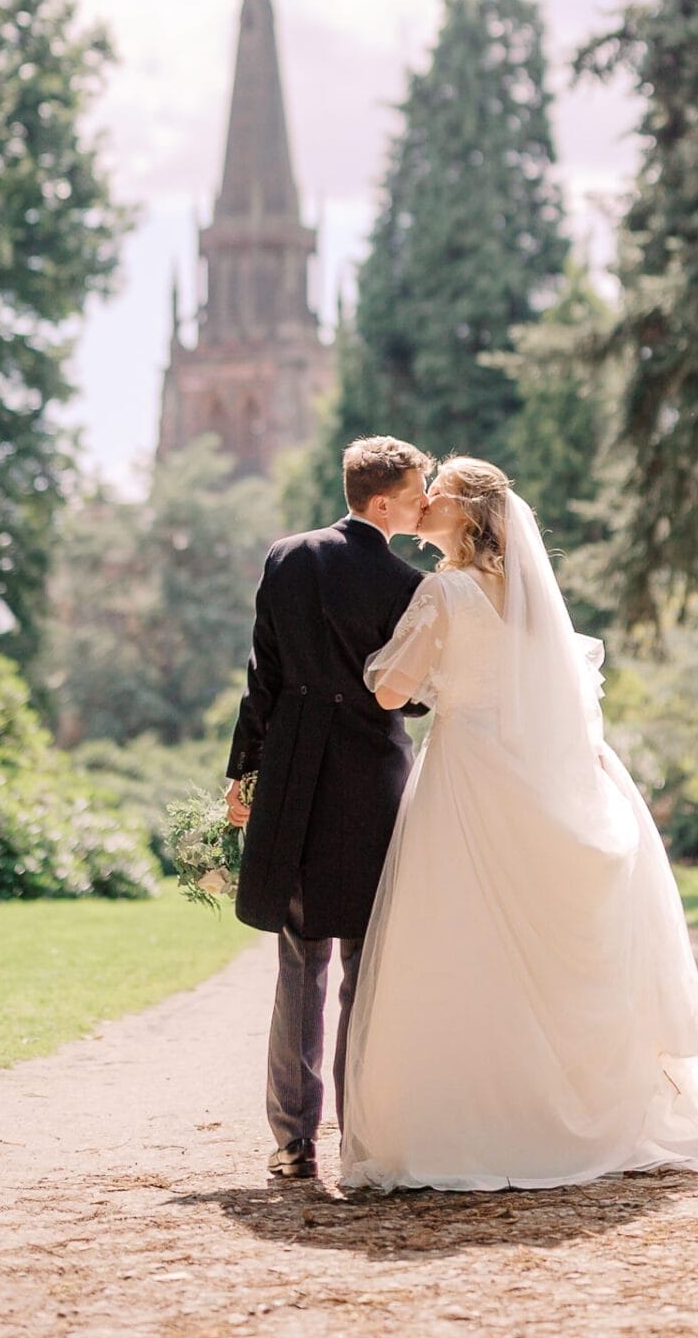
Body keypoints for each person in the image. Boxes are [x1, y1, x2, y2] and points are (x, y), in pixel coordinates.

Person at [340, 456, 698, 1192]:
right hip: (533, 777)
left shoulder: (443, 591)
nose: (422, 503)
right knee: (535, 950)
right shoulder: (529, 599)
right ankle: (559, 1112)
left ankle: (477, 1123)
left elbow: (390, 693)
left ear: (466, 514)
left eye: (434, 495)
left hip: (469, 782)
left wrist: (374, 662)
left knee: (462, 939)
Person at [224, 435, 431, 1181]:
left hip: (293, 778)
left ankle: (291, 1142)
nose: (424, 505)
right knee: (362, 972)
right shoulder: (408, 584)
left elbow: (263, 678)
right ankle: (359, 1135)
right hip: (371, 784)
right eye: (416, 494)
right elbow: (411, 696)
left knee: (297, 967)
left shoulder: (287, 558)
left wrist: (242, 774)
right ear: (382, 502)